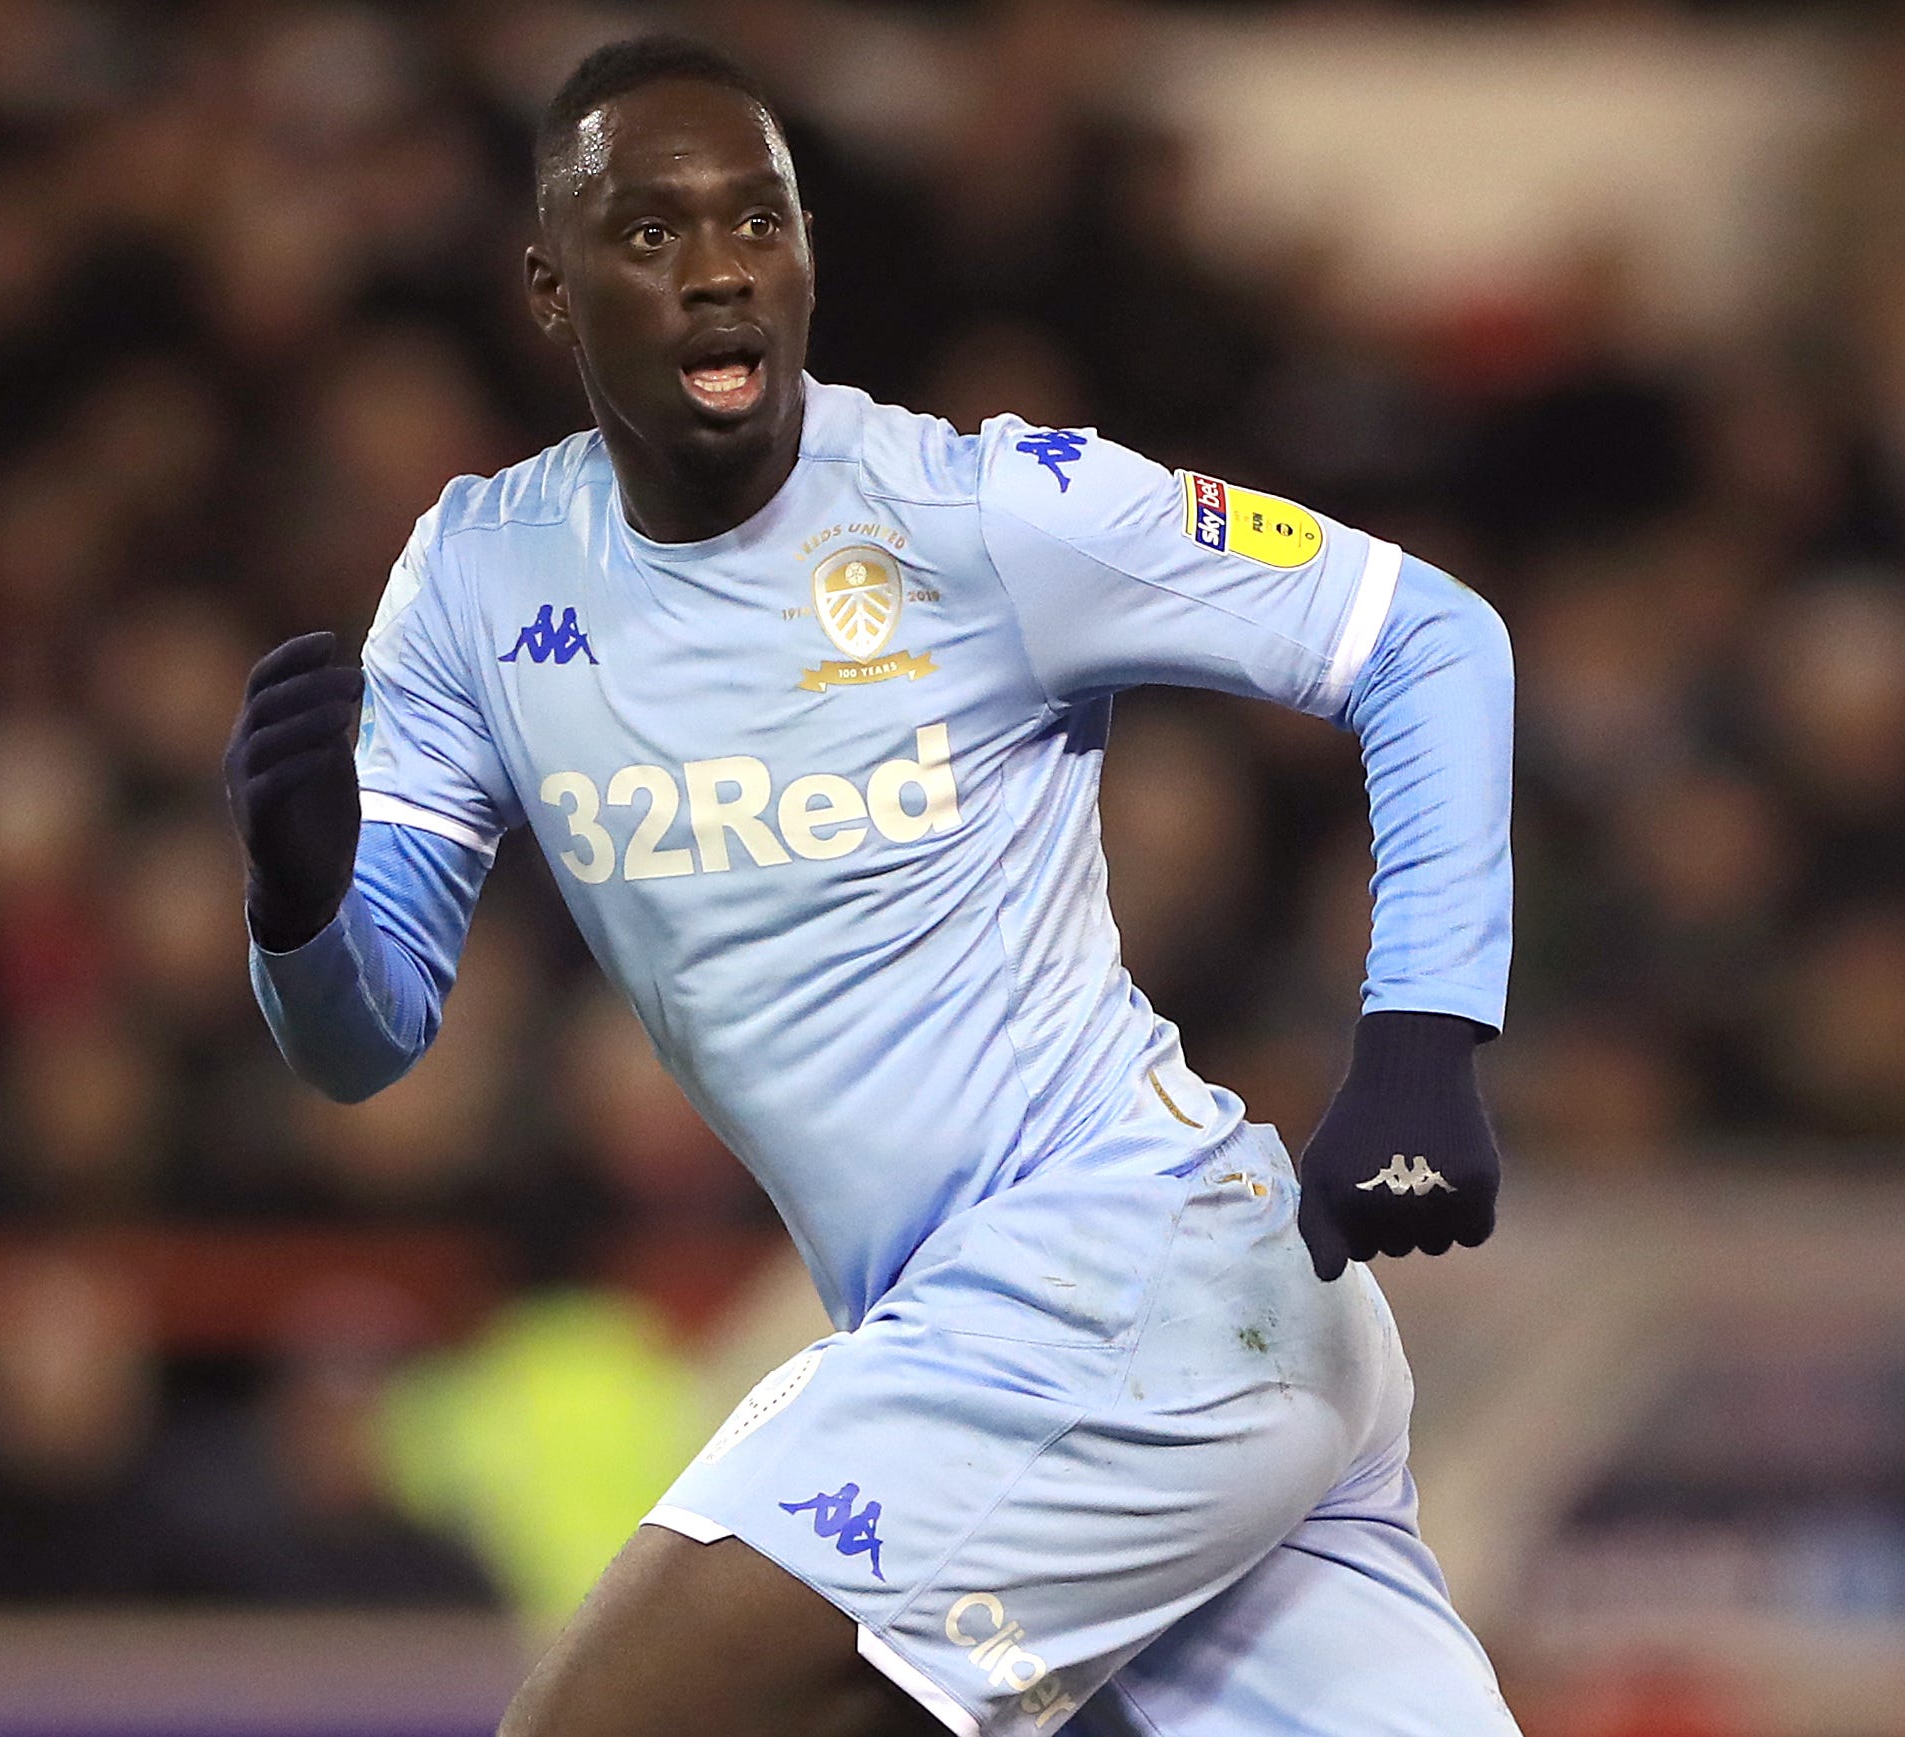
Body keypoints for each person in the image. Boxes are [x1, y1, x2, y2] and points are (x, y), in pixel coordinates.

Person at [224, 35, 1517, 1737]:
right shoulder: (479, 574)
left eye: (758, 224)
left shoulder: (981, 513)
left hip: (1122, 1273)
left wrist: (1420, 1039)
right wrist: (301, 902)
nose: (716, 273)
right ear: (549, 287)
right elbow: (365, 1035)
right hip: (1117, 1352)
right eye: (652, 233)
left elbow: (1422, 634)